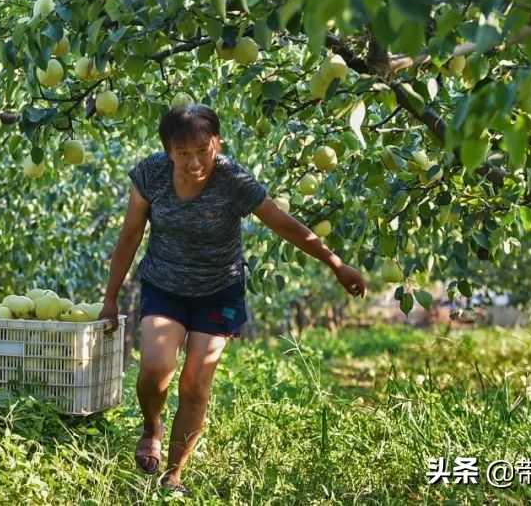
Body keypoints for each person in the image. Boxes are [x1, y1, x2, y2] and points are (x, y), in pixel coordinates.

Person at [99, 104, 367, 493]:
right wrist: (110, 297)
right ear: (168, 150)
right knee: (156, 366)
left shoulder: (232, 180)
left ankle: (174, 473)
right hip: (165, 285)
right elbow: (129, 237)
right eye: (183, 153)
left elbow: (283, 223)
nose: (194, 162)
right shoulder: (151, 174)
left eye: (203, 150)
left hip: (217, 291)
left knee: (194, 385)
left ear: (217, 144)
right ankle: (151, 425)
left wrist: (334, 262)